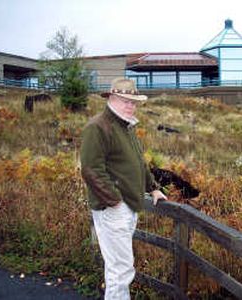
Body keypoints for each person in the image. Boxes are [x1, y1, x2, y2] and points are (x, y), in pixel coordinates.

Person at [80, 78, 167, 300]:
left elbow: (139, 163)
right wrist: (115, 201)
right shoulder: (98, 127)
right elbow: (91, 170)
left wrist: (153, 188)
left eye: (133, 102)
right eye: (125, 101)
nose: (131, 106)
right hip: (112, 210)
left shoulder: (125, 126)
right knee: (121, 269)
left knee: (117, 268)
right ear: (111, 98)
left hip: (127, 207)